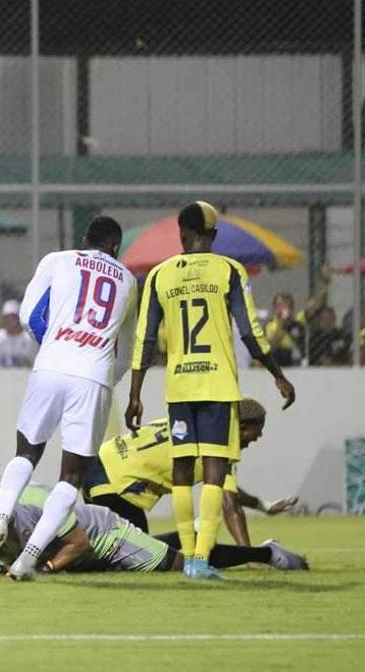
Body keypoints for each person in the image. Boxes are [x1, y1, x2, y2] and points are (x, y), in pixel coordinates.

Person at [126, 201, 295, 580]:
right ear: (213, 234)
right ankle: (201, 560)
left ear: (181, 234)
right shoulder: (229, 270)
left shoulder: (159, 275)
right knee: (216, 471)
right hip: (218, 385)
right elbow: (250, 332)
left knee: (182, 469)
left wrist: (135, 394)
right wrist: (277, 375)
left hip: (179, 386)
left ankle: (188, 557)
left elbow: (145, 338)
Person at [0, 216, 138, 581]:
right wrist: (106, 379)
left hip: (51, 364)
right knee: (72, 475)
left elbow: (27, 316)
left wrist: (53, 343)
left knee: (26, 453)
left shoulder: (58, 260)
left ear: (85, 239)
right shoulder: (129, 281)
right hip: (93, 376)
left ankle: (1, 518)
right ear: (115, 247)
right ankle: (29, 557)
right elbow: (126, 350)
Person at [0, 472, 308, 577]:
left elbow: (79, 544)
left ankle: (266, 554)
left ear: (3, 497)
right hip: (83, 558)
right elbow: (1, 559)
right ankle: (192, 531)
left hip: (105, 536)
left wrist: (45, 569)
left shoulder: (39, 502)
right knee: (160, 548)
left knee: (183, 564)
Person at [85, 398, 297, 546]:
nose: (259, 436)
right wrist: (249, 556)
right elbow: (229, 504)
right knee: (139, 554)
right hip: (116, 485)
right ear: (241, 427)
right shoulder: (218, 446)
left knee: (128, 547)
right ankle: (195, 535)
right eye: (258, 429)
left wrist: (263, 506)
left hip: (96, 465)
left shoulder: (194, 421)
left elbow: (226, 489)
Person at [0, 299, 36, 368]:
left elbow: (34, 363)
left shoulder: (29, 338)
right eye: (7, 317)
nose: (11, 320)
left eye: (14, 317)